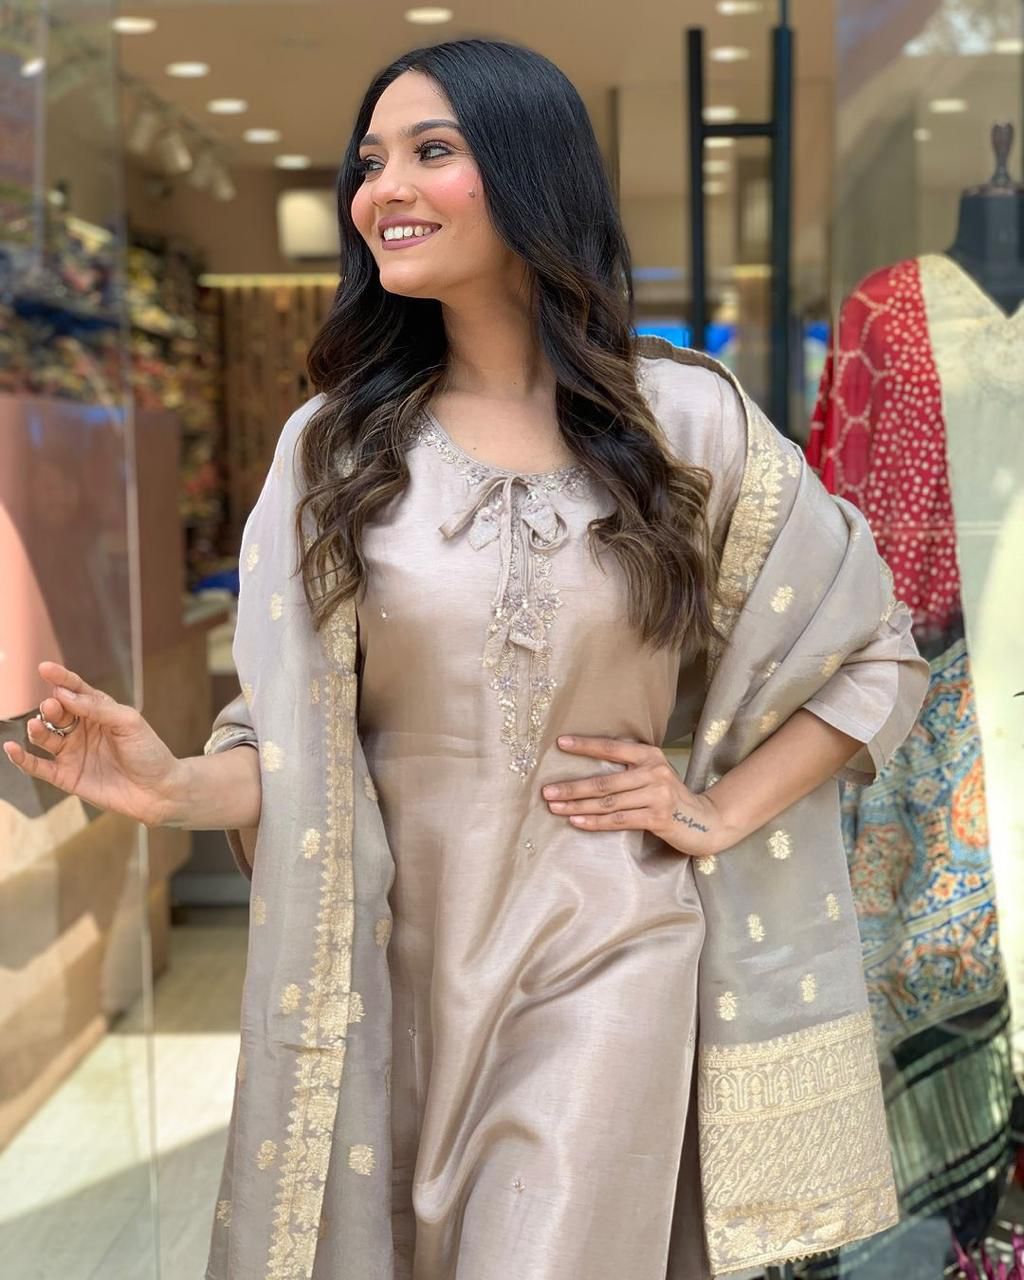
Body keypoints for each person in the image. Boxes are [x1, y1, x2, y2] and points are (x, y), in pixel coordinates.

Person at [2, 38, 929, 1280]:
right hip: (384, 978)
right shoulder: (332, 452)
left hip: (609, 947)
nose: (381, 187)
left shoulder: (683, 422)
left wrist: (713, 808)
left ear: (532, 172)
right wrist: (170, 785)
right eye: (368, 160)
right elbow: (298, 751)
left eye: (430, 151)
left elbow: (871, 650)